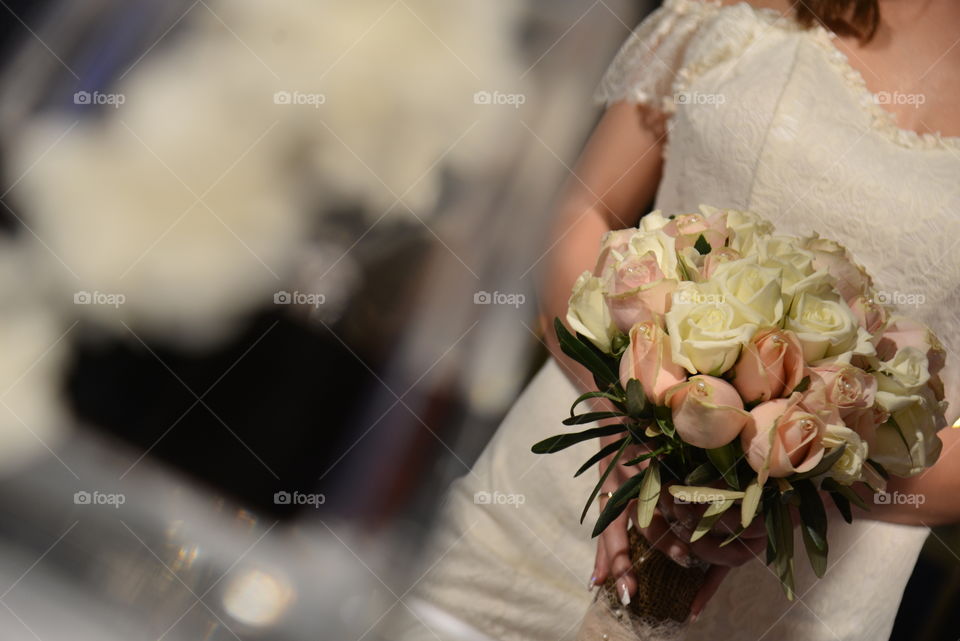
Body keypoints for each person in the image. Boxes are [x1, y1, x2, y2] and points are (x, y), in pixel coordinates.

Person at [392, 1, 960, 639]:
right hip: (558, 502)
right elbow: (587, 209)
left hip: (802, 602)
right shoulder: (740, 8)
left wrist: (785, 488)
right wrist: (628, 421)